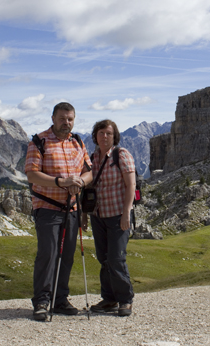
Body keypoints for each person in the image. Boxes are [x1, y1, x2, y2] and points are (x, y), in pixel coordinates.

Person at [25, 102, 92, 321]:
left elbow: (88, 172)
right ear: (53, 118)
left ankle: (60, 299)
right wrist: (62, 182)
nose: (67, 123)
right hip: (47, 208)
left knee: (67, 255)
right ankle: (42, 301)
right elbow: (32, 175)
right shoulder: (39, 141)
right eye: (62, 118)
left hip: (72, 208)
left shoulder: (78, 142)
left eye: (70, 119)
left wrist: (80, 182)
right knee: (49, 253)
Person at [83, 119, 136, 317]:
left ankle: (125, 300)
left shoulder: (121, 155)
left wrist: (126, 213)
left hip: (117, 215)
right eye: (101, 133)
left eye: (108, 133)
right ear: (95, 136)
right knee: (103, 258)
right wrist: (84, 216)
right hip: (98, 216)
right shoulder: (92, 157)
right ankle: (109, 298)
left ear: (114, 136)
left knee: (116, 258)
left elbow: (131, 185)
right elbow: (87, 189)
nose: (104, 136)